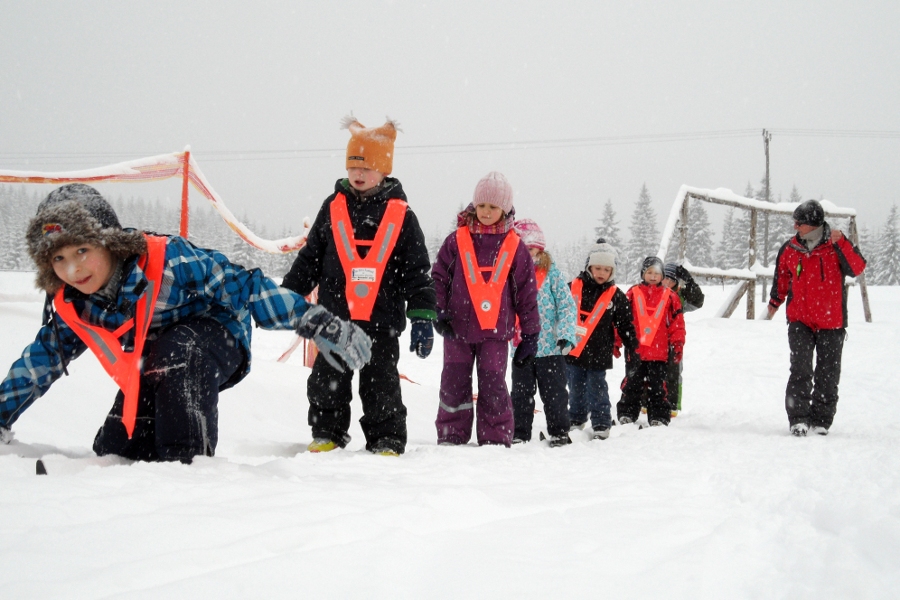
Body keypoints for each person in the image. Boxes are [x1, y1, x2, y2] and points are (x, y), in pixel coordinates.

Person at [0, 184, 371, 463]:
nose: (73, 269)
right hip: (153, 360)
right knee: (117, 449)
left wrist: (316, 321)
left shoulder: (169, 262)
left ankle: (187, 468)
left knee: (180, 348)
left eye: (82, 251)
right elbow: (40, 361)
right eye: (59, 259)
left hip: (216, 337)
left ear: (110, 243)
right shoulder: (75, 305)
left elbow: (249, 288)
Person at [281, 117, 435, 456]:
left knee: (382, 384)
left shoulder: (402, 216)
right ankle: (326, 432)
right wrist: (289, 293)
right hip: (335, 318)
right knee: (326, 381)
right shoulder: (332, 207)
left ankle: (387, 438)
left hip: (381, 322)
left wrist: (422, 315)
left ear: (383, 170)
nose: (358, 173)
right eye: (353, 166)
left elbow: (416, 270)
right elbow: (311, 258)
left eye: (366, 166)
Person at [432, 172, 539, 447]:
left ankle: (494, 436)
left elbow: (526, 293)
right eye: (481, 206)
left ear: (505, 209)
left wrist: (531, 333)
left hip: (495, 332)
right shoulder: (456, 240)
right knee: (454, 380)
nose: (486, 212)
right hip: (457, 328)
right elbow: (439, 277)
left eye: (493, 207)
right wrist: (438, 309)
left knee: (493, 383)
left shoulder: (515, 246)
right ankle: (451, 433)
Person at [767, 199, 866, 437]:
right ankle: (798, 419)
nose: (795, 227)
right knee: (800, 370)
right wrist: (773, 305)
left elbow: (858, 268)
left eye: (799, 223)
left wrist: (842, 241)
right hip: (800, 320)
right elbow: (781, 279)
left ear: (813, 224)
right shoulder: (790, 248)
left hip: (832, 323)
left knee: (828, 373)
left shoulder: (836, 245)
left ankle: (821, 420)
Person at [508, 219, 578, 447]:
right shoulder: (510, 276)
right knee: (520, 396)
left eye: (530, 249)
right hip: (521, 349)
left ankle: (559, 432)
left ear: (540, 248)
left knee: (556, 395)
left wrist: (566, 334)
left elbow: (567, 305)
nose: (527, 254)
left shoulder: (552, 274)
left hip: (550, 348)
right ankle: (519, 433)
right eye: (522, 250)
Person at [566, 239, 639, 440]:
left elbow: (625, 323)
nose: (601, 273)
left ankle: (601, 422)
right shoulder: (571, 286)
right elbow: (559, 313)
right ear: (589, 266)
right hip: (572, 350)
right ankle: (576, 418)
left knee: (597, 388)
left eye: (606, 269)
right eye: (597, 268)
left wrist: (631, 343)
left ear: (612, 272)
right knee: (575, 387)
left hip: (599, 351)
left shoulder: (616, 295)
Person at [616, 257, 685, 427]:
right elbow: (620, 319)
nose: (653, 276)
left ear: (663, 276)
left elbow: (677, 324)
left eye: (657, 273)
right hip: (635, 351)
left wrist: (677, 345)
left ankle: (659, 416)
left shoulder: (671, 296)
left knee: (659, 387)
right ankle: (627, 413)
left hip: (660, 353)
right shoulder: (633, 293)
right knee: (632, 384)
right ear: (643, 274)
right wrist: (616, 341)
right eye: (649, 272)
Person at [661, 262, 704, 416]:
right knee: (649, 372)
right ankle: (646, 403)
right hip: (651, 342)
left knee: (673, 372)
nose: (666, 283)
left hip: (673, 341)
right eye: (664, 278)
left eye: (671, 280)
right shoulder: (651, 292)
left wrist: (689, 281)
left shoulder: (679, 297)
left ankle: (672, 405)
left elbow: (698, 301)